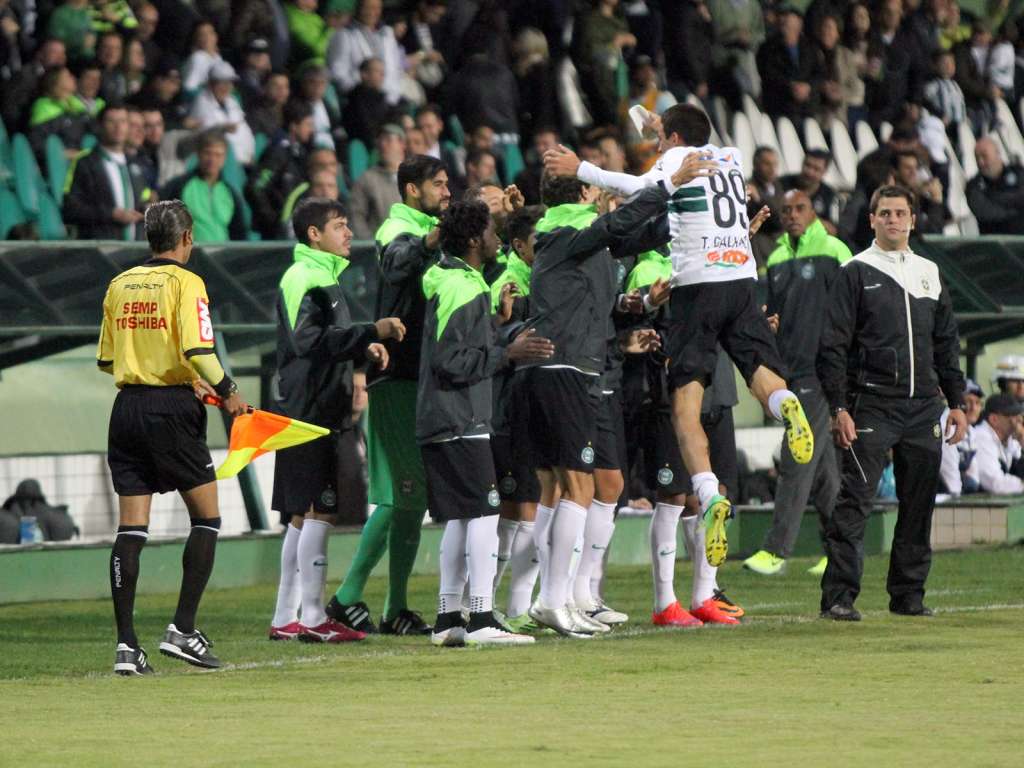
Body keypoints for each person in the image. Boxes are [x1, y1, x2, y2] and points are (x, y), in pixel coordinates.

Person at [544, 103, 814, 570]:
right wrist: (655, 125)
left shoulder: (675, 163)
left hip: (698, 287)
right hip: (742, 282)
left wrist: (582, 168)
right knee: (760, 373)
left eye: (659, 139)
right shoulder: (729, 156)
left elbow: (642, 188)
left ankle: (709, 496)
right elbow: (681, 132)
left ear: (671, 141)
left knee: (686, 405)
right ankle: (784, 404)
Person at [518, 165, 692, 637]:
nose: (603, 198)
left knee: (576, 488)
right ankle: (551, 599)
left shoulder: (575, 236)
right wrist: (669, 185)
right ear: (585, 191)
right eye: (597, 188)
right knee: (579, 488)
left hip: (576, 366)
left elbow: (626, 238)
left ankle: (564, 597)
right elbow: (616, 226)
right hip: (565, 368)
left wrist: (692, 213)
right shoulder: (566, 226)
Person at [97, 200, 249, 675]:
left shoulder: (119, 283)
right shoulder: (188, 282)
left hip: (126, 409)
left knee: (131, 529)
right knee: (206, 517)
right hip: (172, 410)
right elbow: (198, 349)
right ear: (187, 238)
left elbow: (106, 359)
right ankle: (182, 630)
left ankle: (127, 647)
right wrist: (228, 391)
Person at [818, 185, 967, 621]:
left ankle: (908, 597)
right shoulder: (854, 271)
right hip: (871, 405)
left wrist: (956, 401)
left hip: (924, 409)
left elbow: (946, 343)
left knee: (919, 506)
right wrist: (838, 407)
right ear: (871, 220)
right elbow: (833, 347)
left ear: (913, 220)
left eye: (901, 213)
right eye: (884, 213)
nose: (893, 220)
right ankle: (839, 598)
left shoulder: (930, 272)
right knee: (854, 503)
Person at [267, 197, 403, 643]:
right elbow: (309, 342)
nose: (348, 233)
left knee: (301, 517)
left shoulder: (318, 276)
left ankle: (286, 616)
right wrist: (372, 331)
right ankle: (311, 619)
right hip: (311, 411)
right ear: (314, 234)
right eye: (340, 226)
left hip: (307, 406)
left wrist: (362, 349)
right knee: (318, 511)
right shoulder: (307, 278)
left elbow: (323, 342)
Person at [325, 155, 450, 636]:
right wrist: (435, 237)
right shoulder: (396, 227)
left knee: (412, 497)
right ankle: (346, 596)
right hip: (395, 375)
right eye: (438, 185)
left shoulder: (429, 227)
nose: (445, 191)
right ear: (412, 189)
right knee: (403, 492)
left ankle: (395, 606)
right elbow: (398, 264)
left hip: (420, 375)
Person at [420, 200, 554, 646]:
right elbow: (450, 361)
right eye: (493, 234)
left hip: (447, 415)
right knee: (483, 510)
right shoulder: (462, 286)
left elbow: (456, 349)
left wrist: (496, 326)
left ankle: (447, 619)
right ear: (476, 240)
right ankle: (480, 618)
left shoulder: (458, 281)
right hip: (459, 415)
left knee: (461, 517)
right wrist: (506, 353)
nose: (498, 240)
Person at [743, 189, 851, 577]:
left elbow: (855, 311)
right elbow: (771, 315)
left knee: (796, 457)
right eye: (786, 210)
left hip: (823, 371)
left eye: (799, 208)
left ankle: (776, 549)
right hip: (790, 371)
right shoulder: (774, 258)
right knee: (822, 470)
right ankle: (841, 550)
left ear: (813, 212)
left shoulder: (835, 251)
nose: (791, 215)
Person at [487, 205, 546, 630]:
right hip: (508, 407)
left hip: (534, 404)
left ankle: (516, 608)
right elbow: (494, 337)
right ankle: (487, 605)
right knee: (516, 506)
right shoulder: (506, 283)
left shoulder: (541, 278)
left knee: (531, 504)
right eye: (538, 243)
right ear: (519, 245)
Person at [63, 104, 150, 240]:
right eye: (111, 121)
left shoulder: (136, 165)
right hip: (100, 249)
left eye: (123, 121)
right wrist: (110, 214)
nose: (118, 127)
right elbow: (71, 209)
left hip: (135, 252)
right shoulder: (85, 163)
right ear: (100, 126)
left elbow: (143, 199)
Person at [246, 99, 315, 239]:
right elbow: (255, 187)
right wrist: (273, 220)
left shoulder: (300, 153)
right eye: (308, 124)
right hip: (276, 234)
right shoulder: (277, 154)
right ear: (294, 126)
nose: (311, 130)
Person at [161, 134, 247, 242]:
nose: (212, 160)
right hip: (190, 256)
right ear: (198, 154)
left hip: (222, 256)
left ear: (224, 158)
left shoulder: (230, 193)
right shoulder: (179, 186)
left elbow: (239, 233)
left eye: (218, 155)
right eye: (208, 153)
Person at [327, 0, 405, 105]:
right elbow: (337, 72)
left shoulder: (387, 35)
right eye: (368, 7)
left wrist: (392, 96)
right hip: (358, 101)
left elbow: (395, 71)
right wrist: (359, 92)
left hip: (388, 100)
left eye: (377, 8)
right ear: (358, 9)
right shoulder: (344, 35)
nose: (372, 12)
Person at [756, 9, 823, 123]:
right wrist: (790, 86)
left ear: (799, 26)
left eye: (791, 26)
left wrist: (808, 87)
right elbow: (768, 74)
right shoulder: (767, 48)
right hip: (779, 107)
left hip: (807, 109)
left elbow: (819, 73)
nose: (787, 29)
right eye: (784, 25)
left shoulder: (810, 48)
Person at [189, 61, 256, 166]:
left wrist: (250, 153)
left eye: (229, 83)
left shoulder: (232, 101)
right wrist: (223, 128)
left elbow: (245, 130)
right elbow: (206, 132)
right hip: (221, 163)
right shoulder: (201, 101)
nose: (226, 87)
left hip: (243, 162)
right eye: (222, 83)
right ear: (211, 84)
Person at [348, 123, 405, 238]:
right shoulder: (366, 179)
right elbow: (356, 216)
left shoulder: (414, 177)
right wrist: (370, 244)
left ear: (402, 144)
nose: (383, 145)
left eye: (388, 140)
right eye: (380, 141)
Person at [964, 394, 1023, 495]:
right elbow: (995, 484)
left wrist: (1022, 440)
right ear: (994, 419)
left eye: (1018, 415)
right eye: (1012, 415)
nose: (1018, 420)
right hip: (965, 505)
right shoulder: (981, 437)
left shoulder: (1009, 440)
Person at [966, 137, 1024, 235]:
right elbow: (987, 213)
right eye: (977, 158)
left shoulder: (1018, 172)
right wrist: (1018, 210)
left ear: (997, 153)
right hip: (995, 244)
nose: (980, 162)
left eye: (984, 156)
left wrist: (994, 196)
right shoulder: (973, 186)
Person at [939, 379, 984, 496]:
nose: (973, 408)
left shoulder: (971, 432)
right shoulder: (946, 428)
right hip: (939, 498)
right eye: (968, 401)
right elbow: (950, 479)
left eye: (978, 403)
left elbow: (974, 479)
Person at [781, 150, 837, 234]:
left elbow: (833, 230)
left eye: (816, 169)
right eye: (807, 165)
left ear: (824, 172)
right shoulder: (783, 184)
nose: (810, 172)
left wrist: (809, 216)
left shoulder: (829, 194)